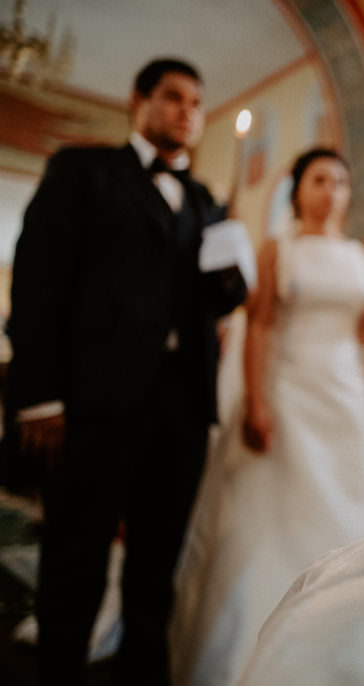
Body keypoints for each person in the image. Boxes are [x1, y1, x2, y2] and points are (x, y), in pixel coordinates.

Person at [5, 58, 248, 685]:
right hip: (93, 405)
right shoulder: (84, 172)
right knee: (75, 563)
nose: (188, 111)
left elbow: (212, 305)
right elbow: (38, 283)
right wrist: (38, 398)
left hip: (181, 412)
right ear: (137, 101)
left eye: (197, 103)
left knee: (155, 571)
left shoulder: (207, 203)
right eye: (173, 97)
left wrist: (231, 274)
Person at [171, 148, 364, 686]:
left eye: (341, 181)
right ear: (299, 190)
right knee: (279, 513)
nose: (332, 191)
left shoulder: (362, 256)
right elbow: (263, 327)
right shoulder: (279, 250)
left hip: (344, 398)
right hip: (290, 392)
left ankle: (350, 635)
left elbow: (358, 332)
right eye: (320, 180)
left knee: (354, 509)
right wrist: (257, 400)